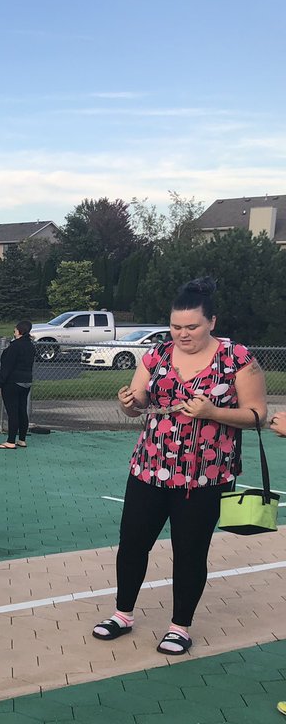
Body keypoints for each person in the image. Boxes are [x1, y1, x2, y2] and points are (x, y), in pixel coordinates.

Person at [92, 278, 267, 656]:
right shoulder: (156, 355)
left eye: (192, 327)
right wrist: (127, 402)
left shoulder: (237, 358)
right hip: (150, 468)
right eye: (176, 327)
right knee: (133, 544)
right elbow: (136, 401)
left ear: (212, 322)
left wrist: (213, 411)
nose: (182, 334)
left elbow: (257, 415)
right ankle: (122, 614)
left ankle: (179, 626)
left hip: (205, 476)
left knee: (189, 551)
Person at [0, 319, 37, 449]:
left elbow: (7, 367)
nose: (14, 332)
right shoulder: (31, 346)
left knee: (13, 412)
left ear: (19, 331)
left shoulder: (15, 347)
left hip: (12, 383)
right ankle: (22, 439)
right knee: (22, 410)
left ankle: (11, 441)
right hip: (26, 382)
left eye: (15, 330)